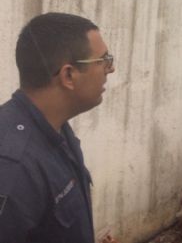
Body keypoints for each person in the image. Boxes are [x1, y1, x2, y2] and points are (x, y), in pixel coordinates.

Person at [0, 13, 115, 243]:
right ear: (68, 75)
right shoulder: (13, 170)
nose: (110, 69)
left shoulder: (55, 127)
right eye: (103, 60)